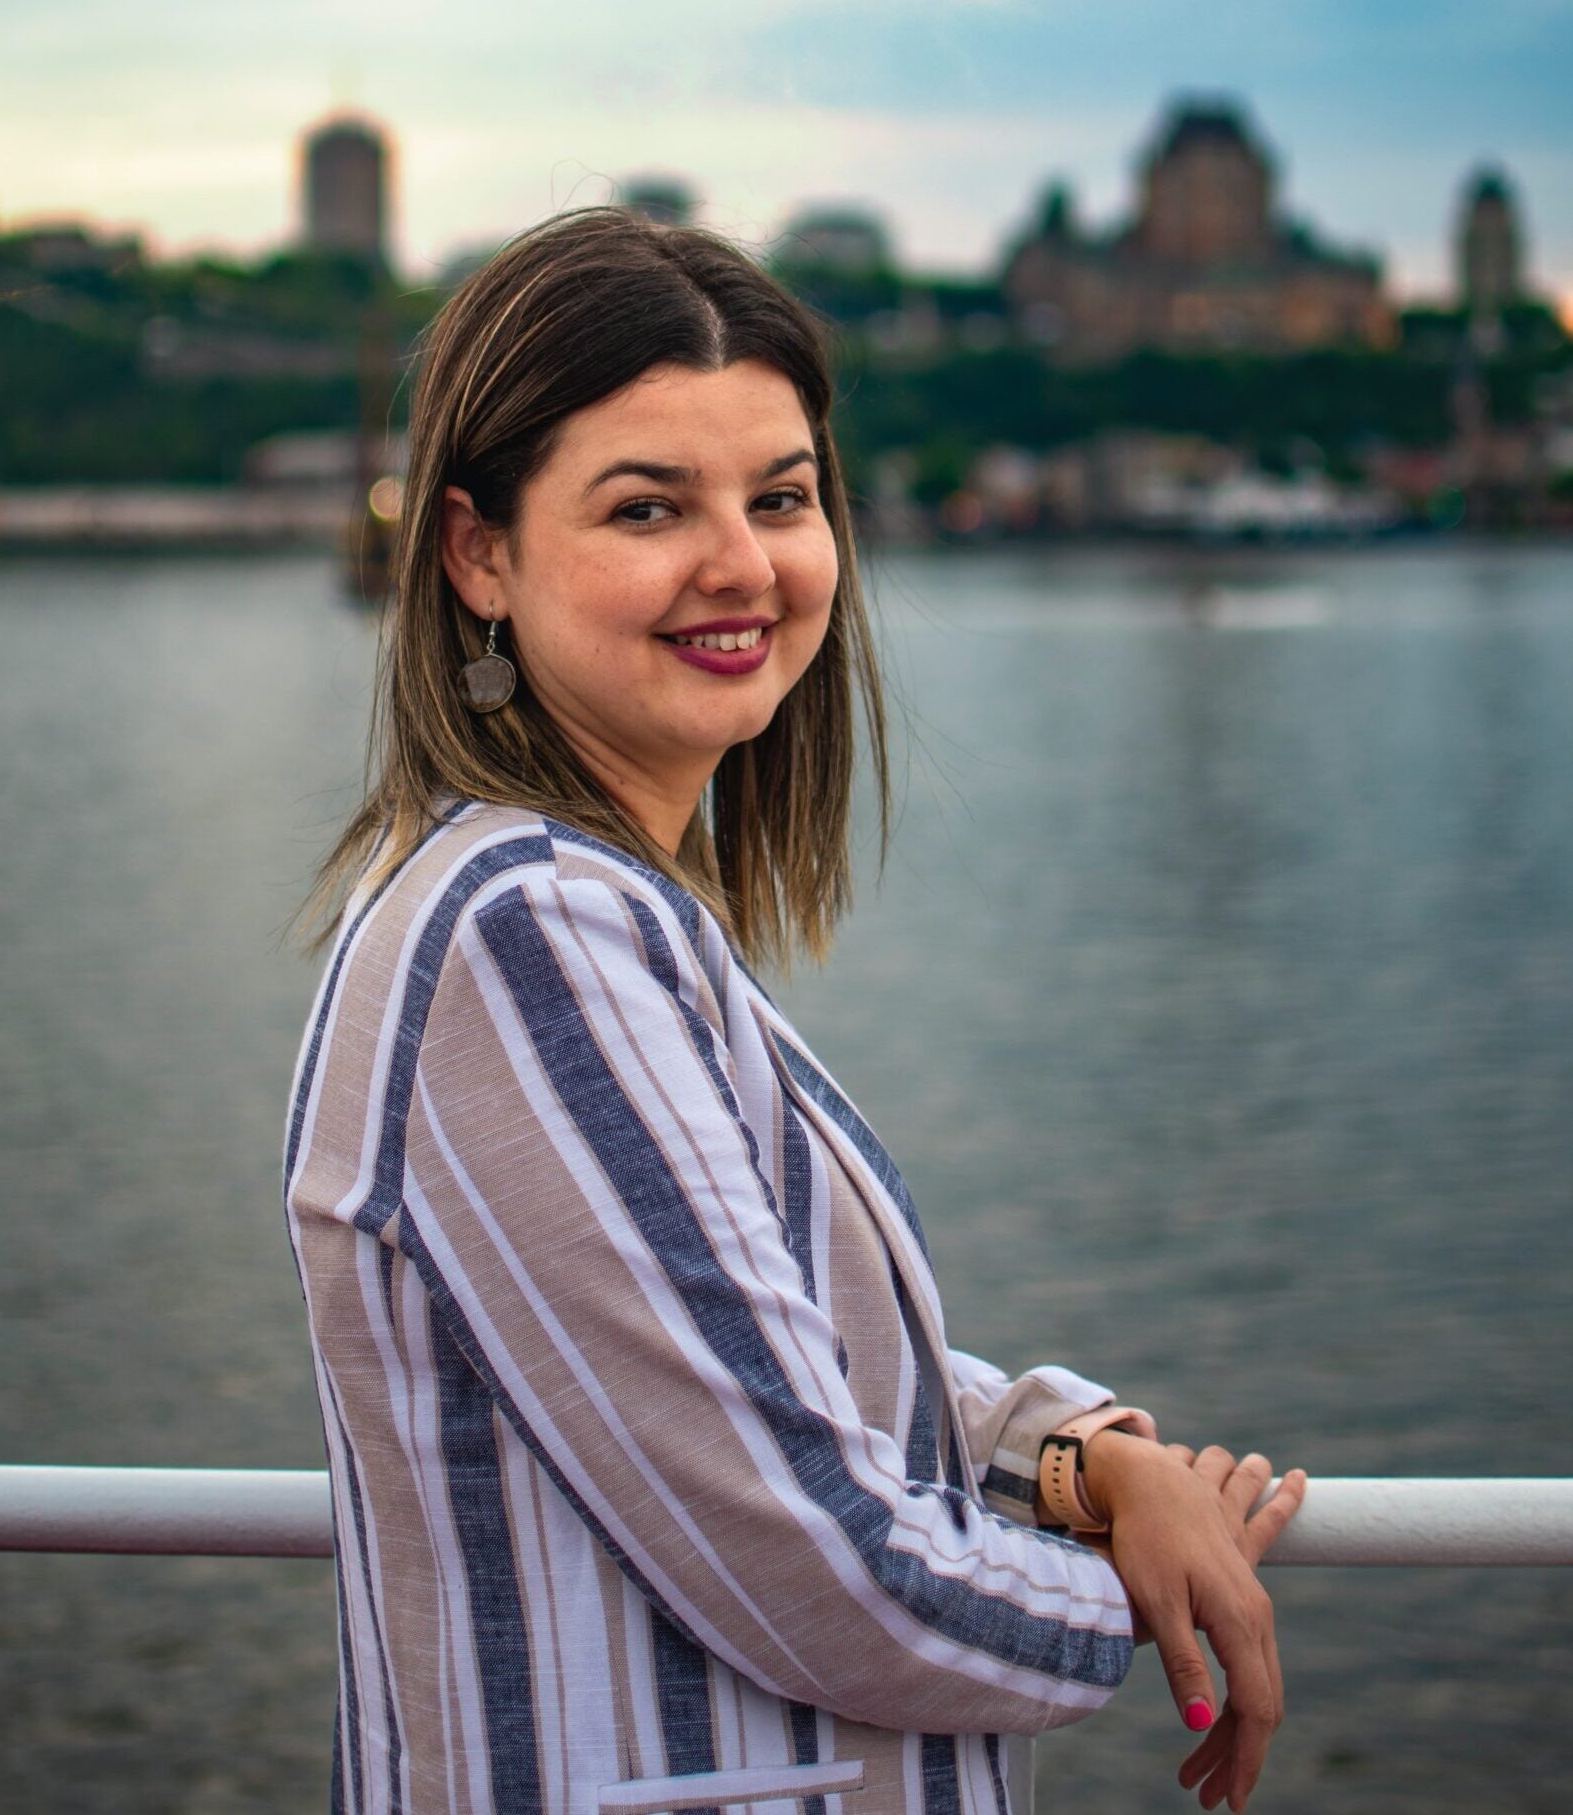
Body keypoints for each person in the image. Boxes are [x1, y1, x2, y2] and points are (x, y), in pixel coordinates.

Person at [284, 205, 1307, 1815]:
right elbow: (822, 1569)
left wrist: (1079, 1459)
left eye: (781, 497)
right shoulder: (528, 933)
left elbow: (745, 1348)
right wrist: (1150, 1590)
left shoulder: (594, 906)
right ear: (478, 552)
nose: (743, 564)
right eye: (647, 507)